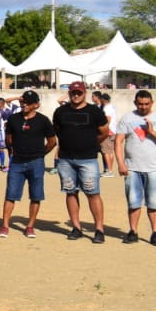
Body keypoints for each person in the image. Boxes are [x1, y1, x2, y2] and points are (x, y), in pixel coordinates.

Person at [115, 90, 156, 246]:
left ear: (152, 103)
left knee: (154, 202)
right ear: (135, 103)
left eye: (146, 104)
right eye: (140, 104)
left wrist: (153, 132)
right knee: (133, 201)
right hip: (132, 167)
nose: (143, 107)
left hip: (154, 167)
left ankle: (155, 232)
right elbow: (118, 141)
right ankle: (133, 231)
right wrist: (120, 163)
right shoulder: (127, 118)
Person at [53, 80, 109, 243]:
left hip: (88, 159)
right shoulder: (60, 112)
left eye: (79, 93)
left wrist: (91, 143)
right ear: (69, 93)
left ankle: (99, 229)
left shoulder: (94, 111)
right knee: (70, 192)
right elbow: (57, 130)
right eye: (73, 93)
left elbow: (104, 131)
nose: (76, 95)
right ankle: (76, 227)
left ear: (85, 93)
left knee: (93, 193)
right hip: (66, 159)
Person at [0, 91, 57, 238]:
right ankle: (5, 225)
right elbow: (9, 139)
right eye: (22, 101)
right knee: (10, 194)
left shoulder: (43, 120)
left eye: (28, 102)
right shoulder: (13, 119)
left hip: (36, 162)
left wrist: (40, 154)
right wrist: (13, 153)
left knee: (36, 195)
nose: (24, 104)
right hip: (17, 162)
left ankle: (30, 226)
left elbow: (52, 142)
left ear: (36, 105)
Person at [93, 91, 118, 177]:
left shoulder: (106, 108)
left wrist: (105, 130)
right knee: (110, 151)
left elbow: (107, 120)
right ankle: (109, 169)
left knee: (106, 151)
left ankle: (109, 170)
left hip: (108, 132)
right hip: (113, 131)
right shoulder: (112, 106)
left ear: (103, 100)